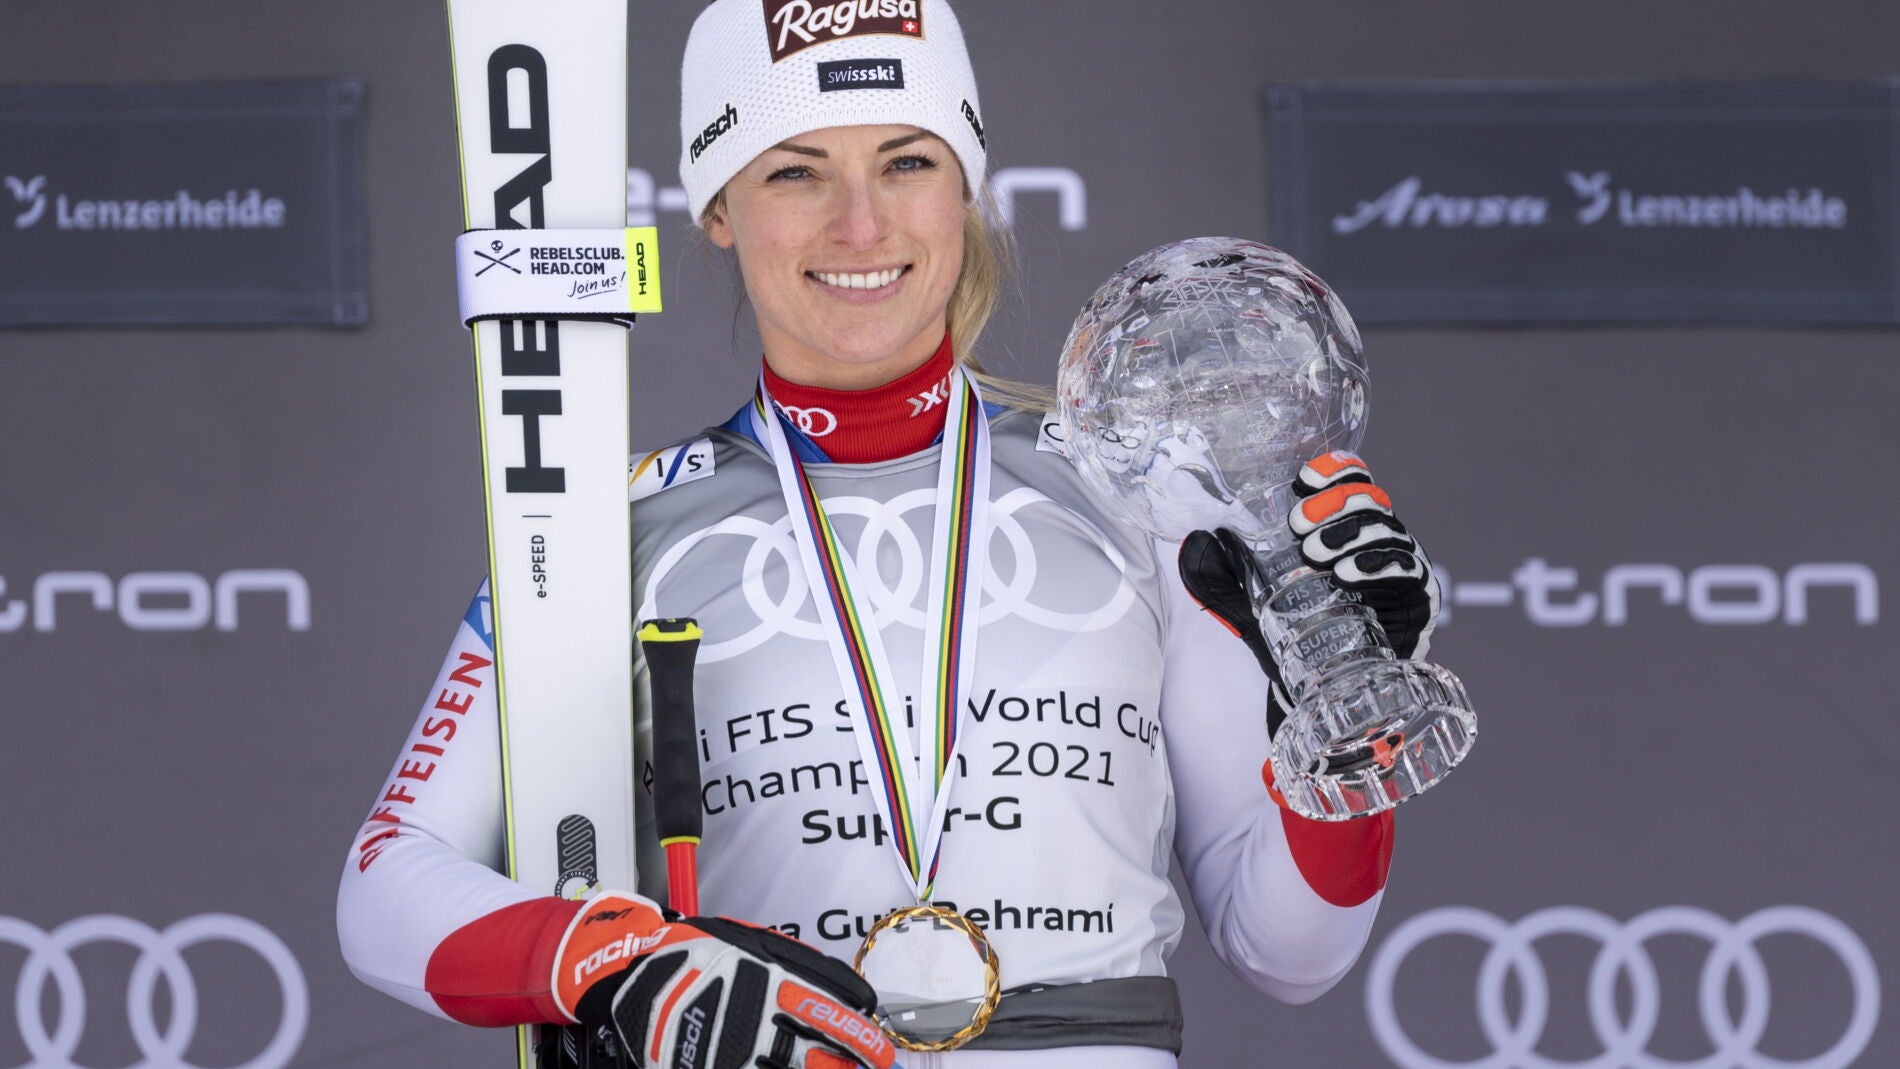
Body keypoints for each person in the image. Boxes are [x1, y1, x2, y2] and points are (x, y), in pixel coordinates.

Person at [337, 1, 1440, 1066]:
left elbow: (1292, 951)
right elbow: (385, 880)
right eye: (796, 171)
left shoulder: (1139, 495)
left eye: (907, 162)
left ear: (965, 186)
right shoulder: (610, 531)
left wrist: (1350, 726)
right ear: (717, 208)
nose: (859, 225)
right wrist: (615, 962)